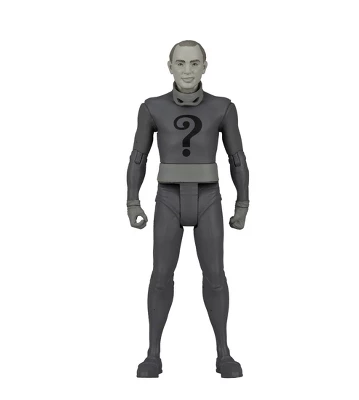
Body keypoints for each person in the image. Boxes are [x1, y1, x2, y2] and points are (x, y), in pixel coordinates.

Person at [126, 40, 249, 378]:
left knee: (215, 275)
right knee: (161, 275)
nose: (187, 71)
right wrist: (132, 201)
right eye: (180, 63)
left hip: (209, 196)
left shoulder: (223, 107)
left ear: (205, 66)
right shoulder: (152, 107)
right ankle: (152, 354)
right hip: (168, 196)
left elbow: (237, 157)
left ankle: (224, 353)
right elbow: (138, 157)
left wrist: (242, 203)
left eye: (195, 63)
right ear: (169, 66)